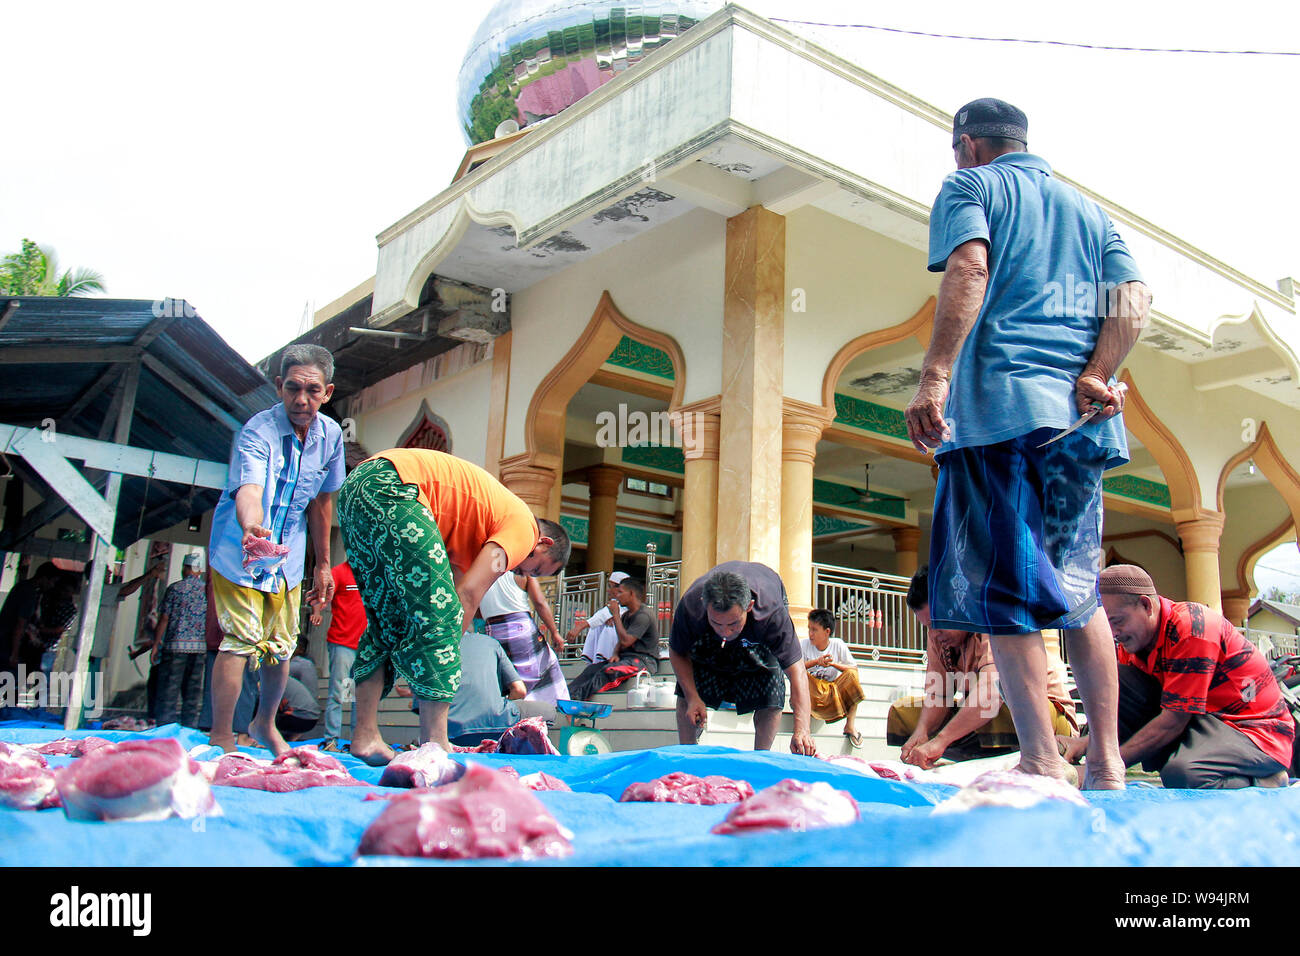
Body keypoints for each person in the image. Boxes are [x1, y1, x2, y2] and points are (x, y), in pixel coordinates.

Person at [904, 97, 1152, 788]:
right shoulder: (1089, 211)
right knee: (1078, 592)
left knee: (1004, 592)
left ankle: (1042, 759)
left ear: (967, 145)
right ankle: (1104, 760)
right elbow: (1133, 298)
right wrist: (1098, 372)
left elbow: (970, 269)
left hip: (1002, 418)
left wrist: (934, 377)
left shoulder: (970, 186)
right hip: (1079, 423)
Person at [336, 447, 570, 764]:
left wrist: (422, 664)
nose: (525, 573)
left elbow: (457, 585)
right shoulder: (524, 529)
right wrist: (441, 653)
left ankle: (364, 737)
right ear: (545, 543)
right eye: (537, 569)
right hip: (396, 486)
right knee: (443, 615)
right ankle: (436, 741)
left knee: (385, 622)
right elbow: (468, 596)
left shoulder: (473, 532)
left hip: (357, 489)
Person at [206, 344, 346, 755]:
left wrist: (323, 564)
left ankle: (265, 725)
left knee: (282, 645)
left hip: (288, 553)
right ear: (278, 387)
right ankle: (221, 736)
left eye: (312, 390)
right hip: (241, 551)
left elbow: (323, 501)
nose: (301, 400)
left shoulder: (332, 435)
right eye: (292, 389)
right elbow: (248, 487)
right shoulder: (257, 431)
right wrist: (252, 528)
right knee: (241, 638)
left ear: (328, 392)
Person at [1059, 565, 1294, 789]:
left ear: (1146, 605)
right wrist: (1087, 744)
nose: (1113, 633)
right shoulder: (1132, 643)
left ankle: (1266, 780)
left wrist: (1101, 768)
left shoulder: (1193, 628)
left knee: (1184, 774)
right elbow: (1119, 706)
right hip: (1203, 720)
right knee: (1113, 679)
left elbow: (1173, 722)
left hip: (1254, 730)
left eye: (1117, 621)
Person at [889, 566, 1078, 768]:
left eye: (937, 624)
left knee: (997, 708)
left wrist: (941, 740)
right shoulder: (938, 636)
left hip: (1045, 715)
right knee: (903, 713)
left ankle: (1020, 762)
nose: (934, 634)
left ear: (960, 606)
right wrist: (922, 732)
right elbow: (939, 695)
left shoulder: (993, 615)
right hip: (983, 714)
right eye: (927, 626)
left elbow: (992, 693)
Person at [669, 562, 815, 755]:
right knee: (686, 693)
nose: (725, 631)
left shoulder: (771, 613)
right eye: (717, 622)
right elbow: (677, 651)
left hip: (759, 631)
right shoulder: (692, 605)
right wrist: (693, 697)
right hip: (707, 641)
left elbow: (797, 672)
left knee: (772, 687)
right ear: (705, 604)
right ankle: (686, 754)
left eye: (733, 623)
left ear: (749, 606)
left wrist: (802, 730)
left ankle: (761, 756)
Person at [479, 570, 568, 702]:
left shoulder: (480, 571)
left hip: (494, 632)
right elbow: (539, 602)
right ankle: (565, 712)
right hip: (522, 630)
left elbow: (474, 607)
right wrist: (554, 632)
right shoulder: (521, 569)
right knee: (549, 665)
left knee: (508, 679)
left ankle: (513, 712)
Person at [568, 576, 657, 700]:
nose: (617, 596)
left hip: (643, 661)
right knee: (592, 669)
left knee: (608, 670)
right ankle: (565, 697)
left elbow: (626, 641)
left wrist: (615, 615)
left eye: (621, 592)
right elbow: (621, 641)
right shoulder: (627, 615)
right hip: (626, 659)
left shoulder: (644, 615)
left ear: (631, 593)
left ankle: (577, 700)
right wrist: (615, 653)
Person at [151, 553, 210, 728]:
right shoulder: (206, 590)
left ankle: (165, 727)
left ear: (185, 568)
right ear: (199, 571)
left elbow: (164, 618)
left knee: (169, 689)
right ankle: (189, 727)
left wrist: (155, 644)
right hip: (199, 648)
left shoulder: (175, 589)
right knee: (192, 691)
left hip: (175, 646)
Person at [314, 559, 367, 751]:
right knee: (338, 692)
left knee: (356, 695)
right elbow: (321, 594)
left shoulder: (370, 572)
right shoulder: (339, 572)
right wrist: (317, 611)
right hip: (341, 643)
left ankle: (358, 739)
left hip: (363, 646)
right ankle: (331, 739)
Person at [448, 630, 527, 747]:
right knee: (548, 711)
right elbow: (520, 691)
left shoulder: (434, 647)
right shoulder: (490, 642)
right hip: (498, 724)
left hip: (452, 732)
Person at [801, 608, 865, 748]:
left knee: (852, 675)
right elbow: (794, 668)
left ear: (827, 632)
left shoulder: (838, 645)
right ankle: (803, 729)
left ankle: (850, 726)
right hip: (811, 693)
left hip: (831, 693)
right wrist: (817, 662)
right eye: (809, 629)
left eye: (815, 630)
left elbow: (853, 669)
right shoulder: (804, 645)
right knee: (801, 676)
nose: (810, 634)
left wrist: (833, 664)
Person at [0, 562, 61, 701]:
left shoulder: (22, 587)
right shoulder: (29, 593)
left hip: (6, 640)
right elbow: (20, 625)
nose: (51, 586)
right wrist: (14, 654)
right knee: (10, 684)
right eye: (52, 582)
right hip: (9, 643)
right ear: (44, 578)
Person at [568, 571, 630, 662]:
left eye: (610, 586)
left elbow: (602, 615)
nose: (608, 590)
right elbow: (602, 616)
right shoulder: (614, 603)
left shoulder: (629, 605)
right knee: (598, 625)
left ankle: (604, 658)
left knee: (608, 627)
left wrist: (579, 628)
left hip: (626, 642)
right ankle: (597, 658)